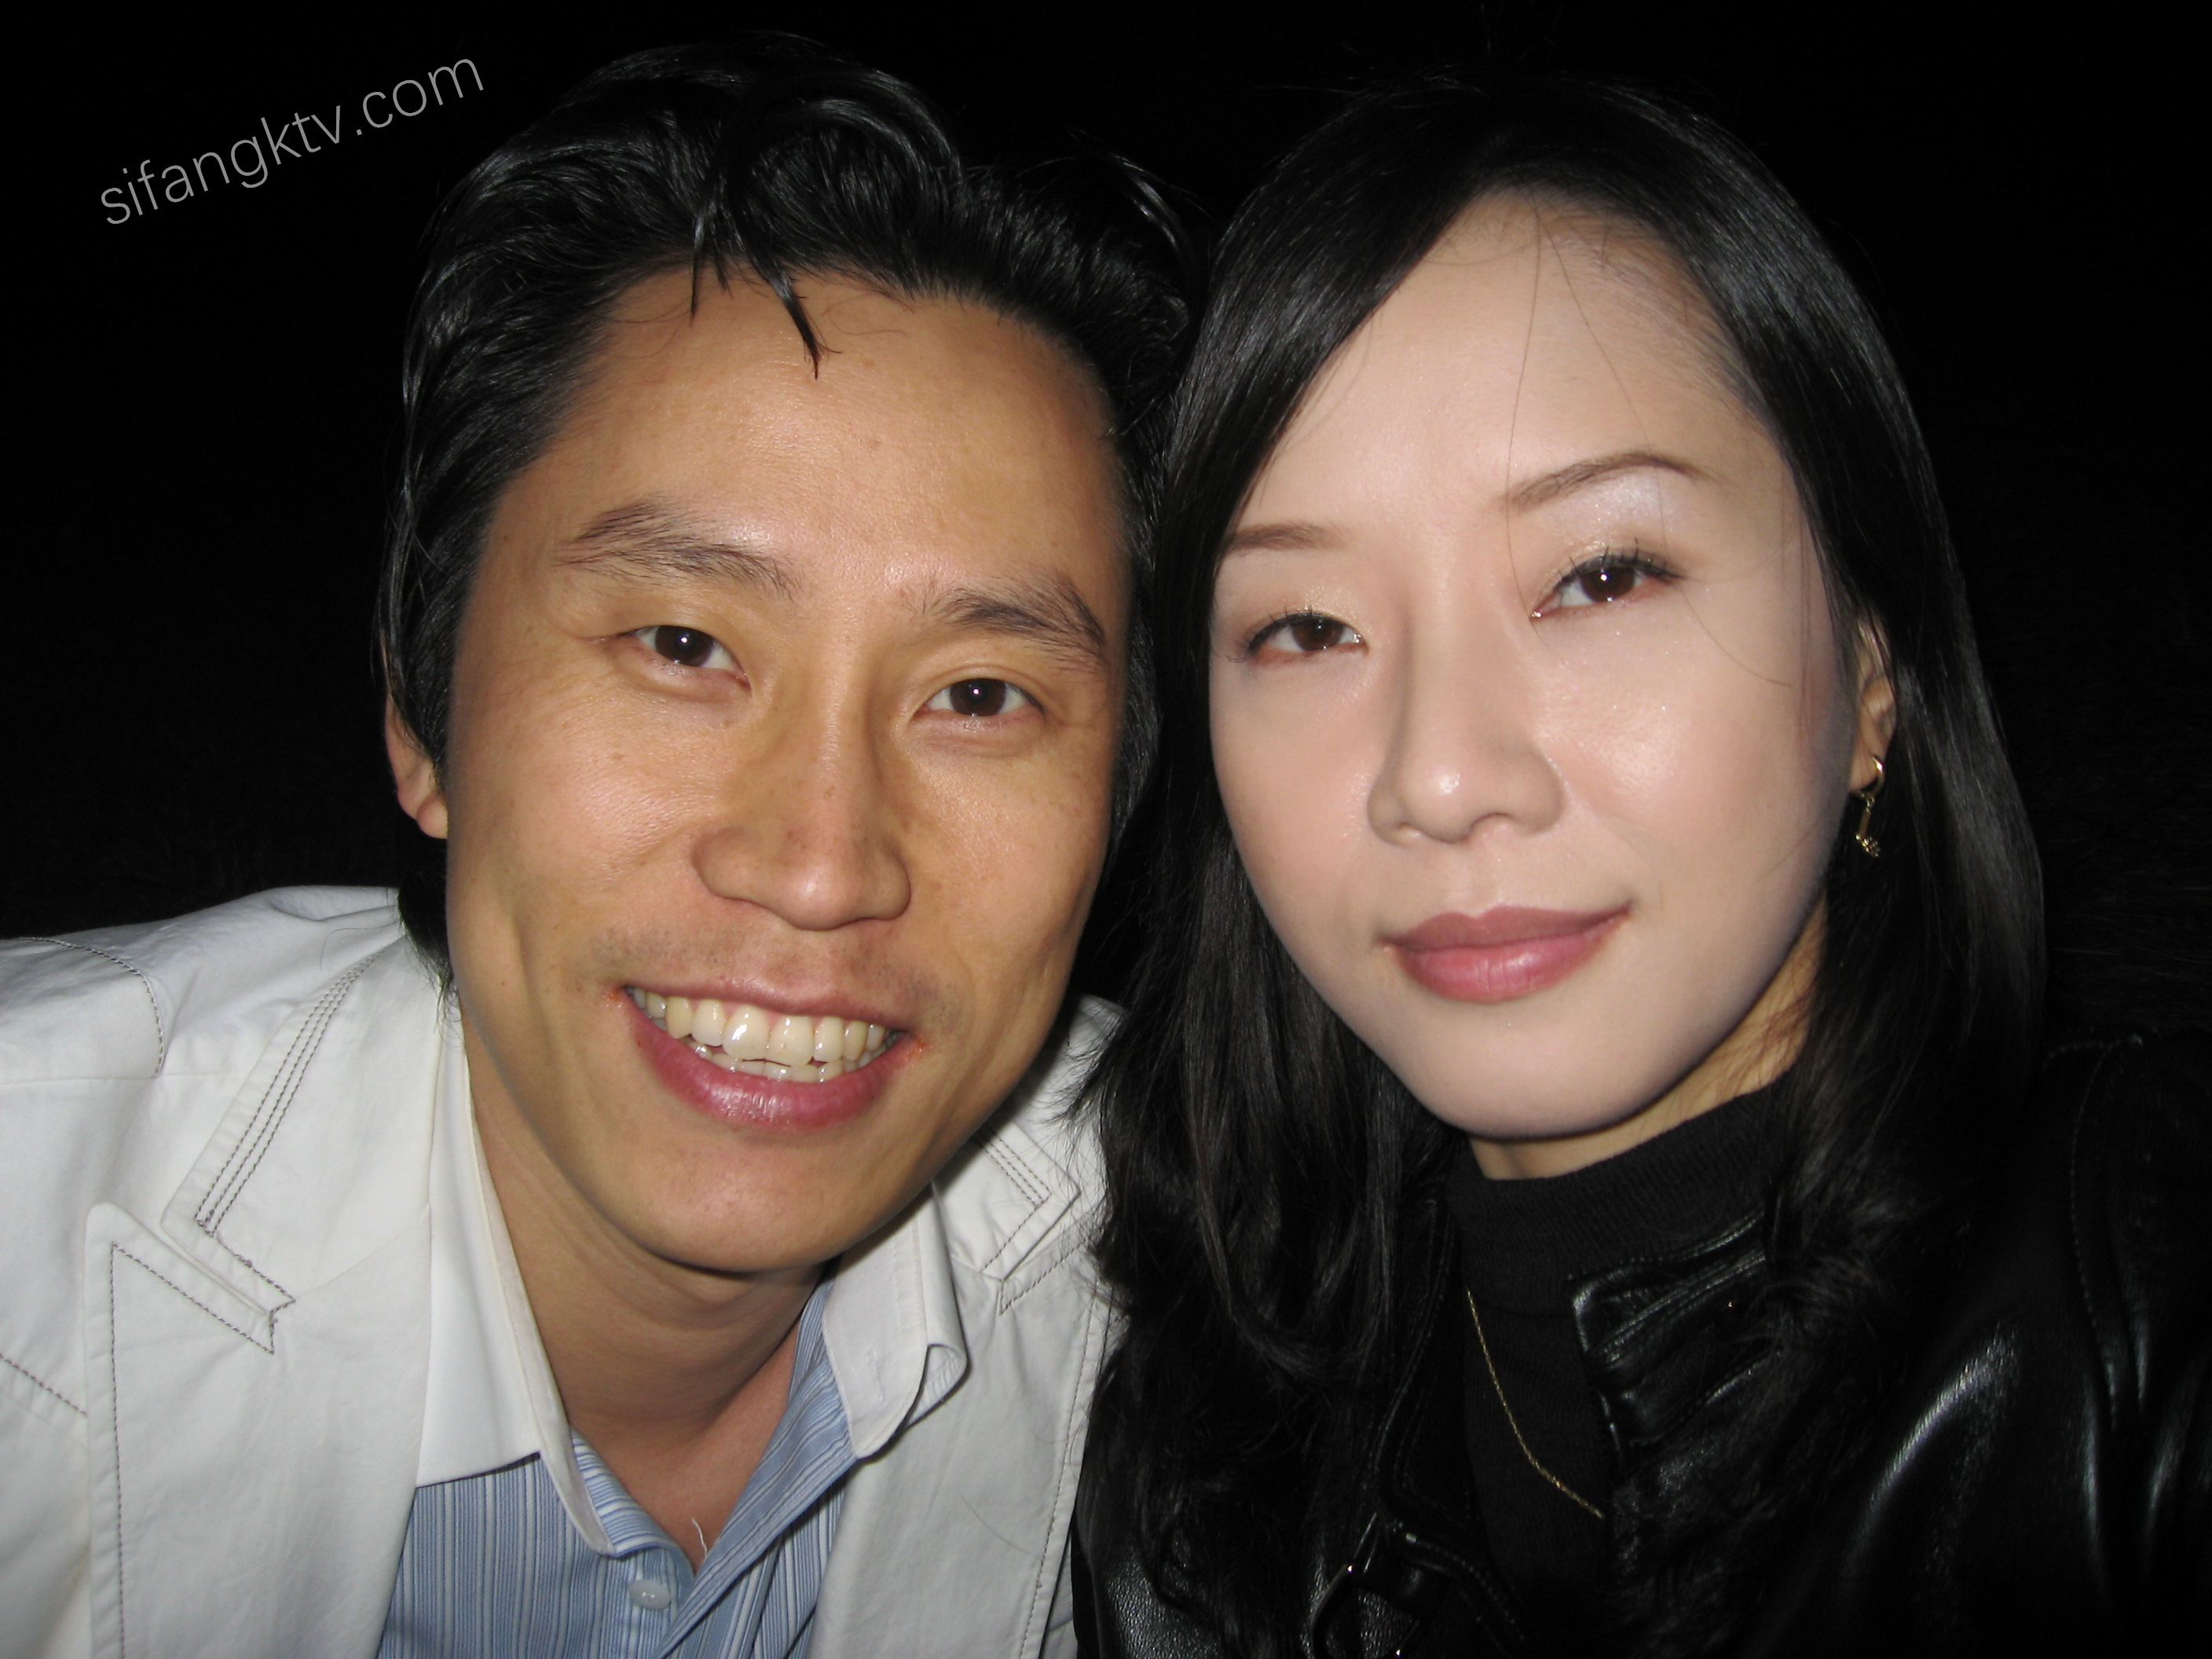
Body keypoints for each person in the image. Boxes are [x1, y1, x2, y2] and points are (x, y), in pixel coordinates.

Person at [0, 39, 1185, 1659]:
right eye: (684, 646)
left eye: (979, 695)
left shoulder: (1220, 1266)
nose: (821, 866)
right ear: (423, 712)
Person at [1073, 72, 2207, 1657]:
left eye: (1601, 577)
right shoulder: (1192, 1459)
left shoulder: (2151, 1312)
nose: (1440, 776)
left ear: (1872, 673)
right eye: (1308, 627)